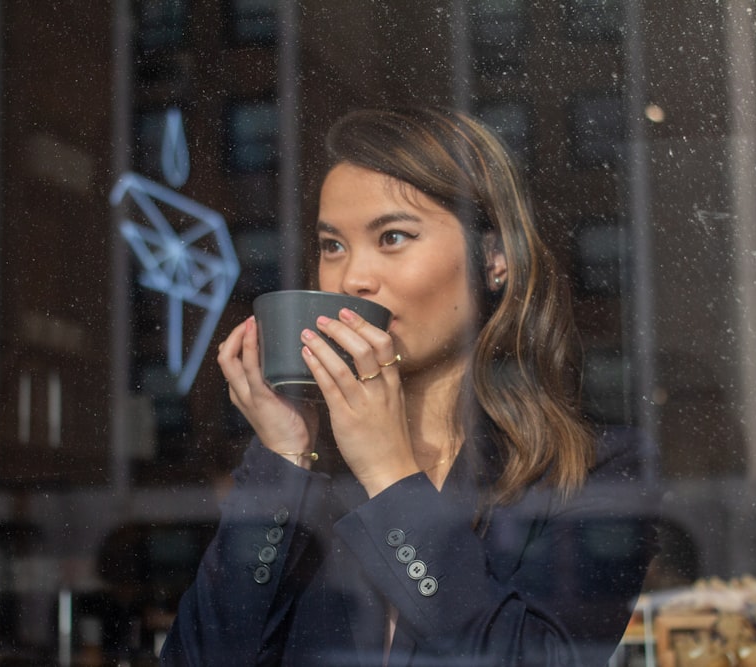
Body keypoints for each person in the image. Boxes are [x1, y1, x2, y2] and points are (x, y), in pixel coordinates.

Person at [160, 107, 657, 666]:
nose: (352, 278)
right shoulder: (305, 478)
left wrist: (391, 476)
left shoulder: (594, 470)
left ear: (496, 260)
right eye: (333, 246)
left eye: (392, 236)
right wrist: (283, 453)